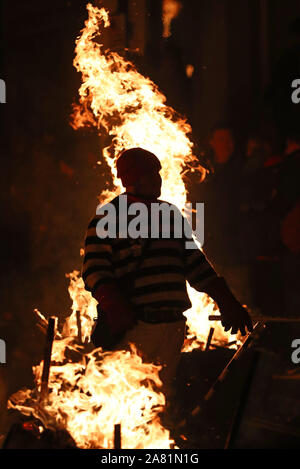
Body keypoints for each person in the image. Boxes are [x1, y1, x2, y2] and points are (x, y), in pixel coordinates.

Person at [82, 147, 252, 402]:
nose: (158, 179)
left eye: (158, 173)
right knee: (127, 403)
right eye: (150, 174)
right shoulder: (109, 216)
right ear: (132, 179)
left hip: (172, 328)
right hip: (136, 328)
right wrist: (115, 307)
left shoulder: (170, 214)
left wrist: (226, 300)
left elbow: (195, 265)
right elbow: (95, 270)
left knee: (159, 401)